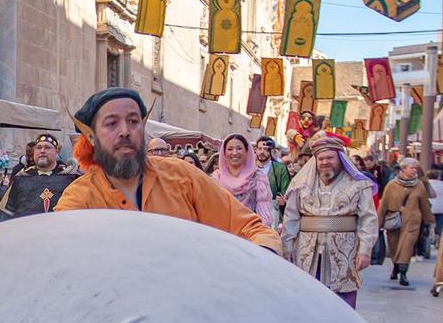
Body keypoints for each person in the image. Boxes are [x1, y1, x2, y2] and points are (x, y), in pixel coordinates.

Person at [54, 88, 281, 250]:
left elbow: (247, 227)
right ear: (91, 137)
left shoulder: (182, 176)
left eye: (134, 121)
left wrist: (265, 251)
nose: (125, 131)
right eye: (111, 123)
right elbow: (62, 255)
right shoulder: (78, 199)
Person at [280, 132, 379, 308]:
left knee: (343, 298)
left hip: (345, 250)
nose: (325, 162)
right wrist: (287, 245)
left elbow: (368, 218)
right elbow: (291, 216)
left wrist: (365, 250)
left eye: (330, 158)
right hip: (307, 249)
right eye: (321, 158)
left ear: (340, 158)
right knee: (308, 296)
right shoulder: (301, 184)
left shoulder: (359, 184)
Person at [380, 158, 432, 289]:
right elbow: (383, 205)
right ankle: (396, 266)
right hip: (394, 220)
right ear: (403, 169)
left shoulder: (419, 185)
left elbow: (425, 204)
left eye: (415, 168)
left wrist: (428, 221)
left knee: (407, 246)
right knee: (394, 246)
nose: (414, 170)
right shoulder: (391, 185)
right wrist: (377, 223)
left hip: (412, 221)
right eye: (411, 168)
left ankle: (403, 273)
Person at [1, 133, 76, 217]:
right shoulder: (21, 178)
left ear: (56, 151)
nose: (42, 150)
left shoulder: (71, 178)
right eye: (39, 147)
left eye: (47, 147)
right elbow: (7, 215)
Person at [212, 132, 277, 226]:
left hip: (247, 233)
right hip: (220, 232)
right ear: (224, 153)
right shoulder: (216, 178)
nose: (234, 153)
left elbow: (264, 218)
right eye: (230, 149)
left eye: (239, 148)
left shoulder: (257, 178)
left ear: (247, 152)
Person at [255, 136, 291, 212]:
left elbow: (287, 193)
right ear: (256, 150)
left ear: (272, 151)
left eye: (266, 149)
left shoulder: (280, 169)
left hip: (272, 211)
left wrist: (283, 201)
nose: (262, 152)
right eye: (260, 148)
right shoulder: (250, 168)